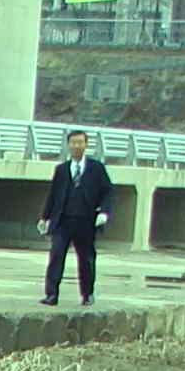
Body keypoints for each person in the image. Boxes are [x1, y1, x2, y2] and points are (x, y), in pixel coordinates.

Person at [39, 128, 113, 306]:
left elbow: (108, 191)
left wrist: (104, 212)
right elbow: (53, 195)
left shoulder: (97, 168)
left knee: (86, 259)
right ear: (68, 145)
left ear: (86, 145)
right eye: (73, 142)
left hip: (85, 221)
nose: (76, 146)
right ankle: (52, 294)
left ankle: (87, 294)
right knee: (56, 255)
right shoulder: (62, 169)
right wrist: (44, 217)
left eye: (80, 142)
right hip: (63, 221)